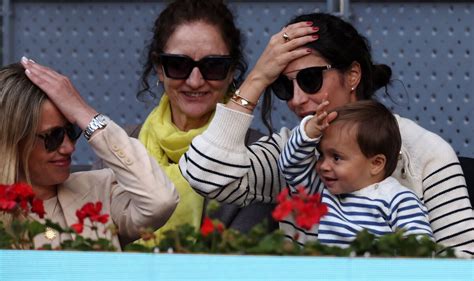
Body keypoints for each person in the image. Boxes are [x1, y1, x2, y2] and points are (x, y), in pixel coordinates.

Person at [179, 12, 474, 257]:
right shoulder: (292, 149)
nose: (295, 99)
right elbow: (204, 176)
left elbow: (462, 261)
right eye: (283, 86)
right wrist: (257, 78)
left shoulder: (424, 151)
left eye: (310, 79)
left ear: (353, 76)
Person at [133, 0, 275, 243]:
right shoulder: (122, 145)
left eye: (213, 66)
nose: (195, 81)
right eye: (178, 65)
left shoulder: (258, 156)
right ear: (159, 68)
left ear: (231, 72)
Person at [0, 60, 179, 250]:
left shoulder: (101, 190)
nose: (69, 148)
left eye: (73, 130)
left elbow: (161, 201)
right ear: (12, 140)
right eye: (54, 137)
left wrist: (84, 114)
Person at [279, 100, 433, 246]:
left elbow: (418, 251)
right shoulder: (321, 191)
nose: (324, 166)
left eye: (336, 157)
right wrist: (308, 133)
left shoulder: (399, 200)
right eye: (321, 155)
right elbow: (291, 165)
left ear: (376, 164)